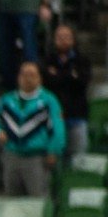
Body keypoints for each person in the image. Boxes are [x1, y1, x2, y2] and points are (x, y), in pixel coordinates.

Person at [0, 61, 64, 197]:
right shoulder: (7, 100)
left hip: (36, 157)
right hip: (12, 156)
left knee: (38, 199)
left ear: (39, 78)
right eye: (24, 75)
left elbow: (58, 129)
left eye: (32, 75)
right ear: (18, 77)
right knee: (12, 201)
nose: (27, 78)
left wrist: (53, 150)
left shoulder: (49, 101)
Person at [42, 24, 90, 159]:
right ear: (54, 39)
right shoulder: (47, 60)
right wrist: (70, 75)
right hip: (53, 119)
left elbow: (82, 83)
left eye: (67, 37)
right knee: (53, 160)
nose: (63, 40)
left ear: (73, 39)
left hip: (77, 117)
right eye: (60, 37)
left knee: (78, 161)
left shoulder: (82, 61)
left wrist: (57, 75)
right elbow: (47, 84)